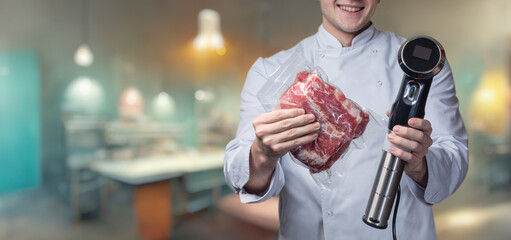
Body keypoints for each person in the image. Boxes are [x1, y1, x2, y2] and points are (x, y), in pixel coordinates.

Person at [224, 0, 468, 239]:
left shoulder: (420, 64)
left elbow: (455, 158)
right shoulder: (269, 71)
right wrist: (262, 153)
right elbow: (239, 177)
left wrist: (420, 165)